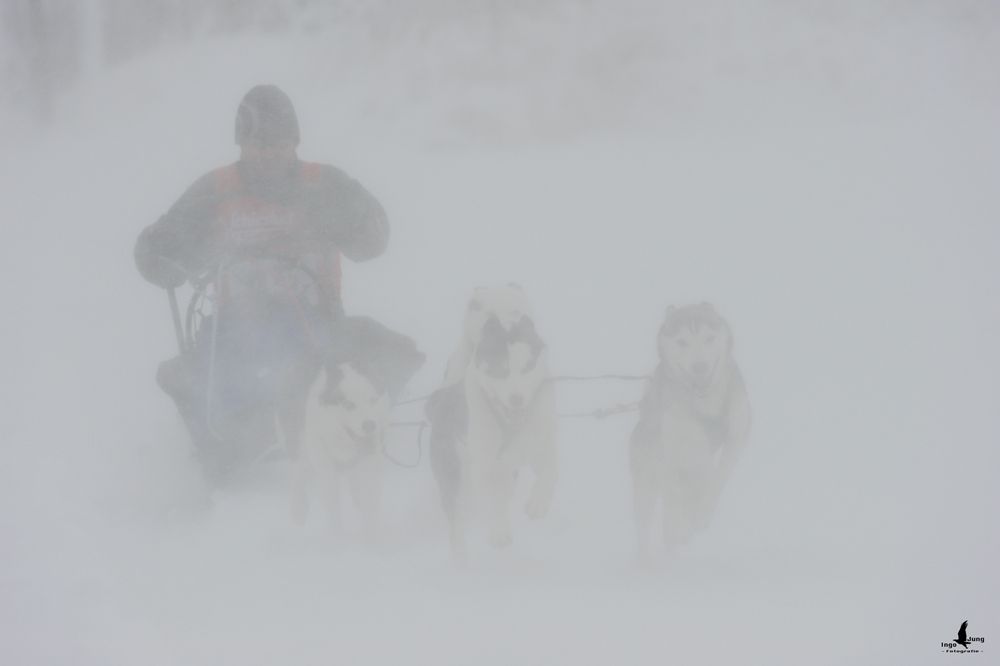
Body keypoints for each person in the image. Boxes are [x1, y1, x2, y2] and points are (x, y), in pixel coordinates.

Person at [134, 84, 389, 478]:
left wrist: (360, 228)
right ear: (241, 144)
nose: (268, 153)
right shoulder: (216, 192)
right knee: (204, 374)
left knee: (360, 355)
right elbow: (162, 245)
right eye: (258, 143)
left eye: (278, 143)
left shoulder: (323, 186)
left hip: (316, 323)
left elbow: (373, 237)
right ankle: (231, 448)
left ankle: (316, 433)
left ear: (295, 142)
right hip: (234, 329)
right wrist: (158, 257)